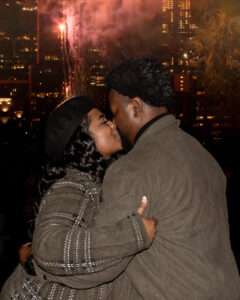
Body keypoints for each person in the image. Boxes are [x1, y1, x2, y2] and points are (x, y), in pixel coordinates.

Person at [91, 57, 239, 299]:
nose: (114, 123)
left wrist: (39, 262)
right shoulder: (204, 157)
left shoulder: (132, 169)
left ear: (136, 107)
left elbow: (101, 260)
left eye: (116, 112)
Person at [0, 96, 157, 299]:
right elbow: (50, 245)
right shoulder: (73, 184)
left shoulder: (103, 177)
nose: (113, 124)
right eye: (103, 121)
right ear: (83, 139)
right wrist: (133, 234)